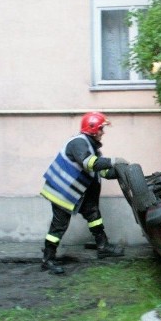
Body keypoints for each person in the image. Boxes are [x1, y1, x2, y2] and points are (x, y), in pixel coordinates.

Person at [39, 112, 127, 274]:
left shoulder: (90, 145)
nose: (103, 132)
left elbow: (102, 172)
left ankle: (103, 247)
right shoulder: (79, 143)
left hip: (76, 192)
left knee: (94, 215)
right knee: (59, 227)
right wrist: (113, 161)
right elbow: (90, 164)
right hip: (62, 192)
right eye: (101, 128)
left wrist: (120, 172)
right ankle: (48, 260)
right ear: (92, 129)